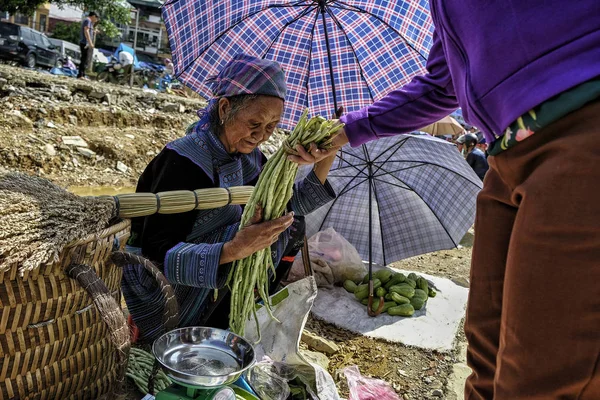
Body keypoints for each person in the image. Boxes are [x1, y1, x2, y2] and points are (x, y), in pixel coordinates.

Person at [330, 1, 600, 398]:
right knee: (487, 350)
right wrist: (344, 132)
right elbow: (443, 85)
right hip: (506, 155)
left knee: (539, 375)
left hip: (580, 129)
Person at [122, 54, 338, 342]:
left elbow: (286, 206)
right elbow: (156, 254)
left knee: (291, 225)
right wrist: (234, 249)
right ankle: (173, 336)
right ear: (225, 108)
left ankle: (224, 326)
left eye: (272, 126)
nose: (261, 136)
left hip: (217, 279)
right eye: (254, 123)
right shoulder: (182, 161)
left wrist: (327, 154)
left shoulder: (249, 159)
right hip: (163, 289)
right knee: (239, 235)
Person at [77, 11, 98, 79]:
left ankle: (82, 74)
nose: (96, 20)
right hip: (85, 43)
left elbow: (89, 31)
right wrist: (90, 42)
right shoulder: (87, 20)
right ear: (94, 16)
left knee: (85, 59)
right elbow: (86, 31)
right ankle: (80, 75)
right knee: (84, 59)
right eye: (96, 18)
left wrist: (94, 32)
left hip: (86, 43)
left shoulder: (89, 22)